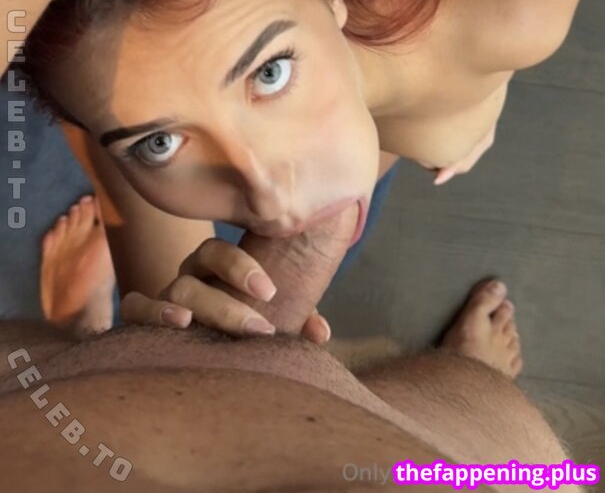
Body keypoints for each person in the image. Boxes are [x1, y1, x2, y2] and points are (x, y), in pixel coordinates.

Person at [0, 0, 588, 488]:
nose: (270, 199)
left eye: (272, 72)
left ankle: (86, 331)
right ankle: (90, 331)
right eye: (159, 140)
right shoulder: (143, 76)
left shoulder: (514, 5)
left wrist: (485, 92)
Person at [0, 205, 582, 493]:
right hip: (447, 452)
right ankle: (460, 376)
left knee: (48, 368)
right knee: (527, 464)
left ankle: (86, 324)